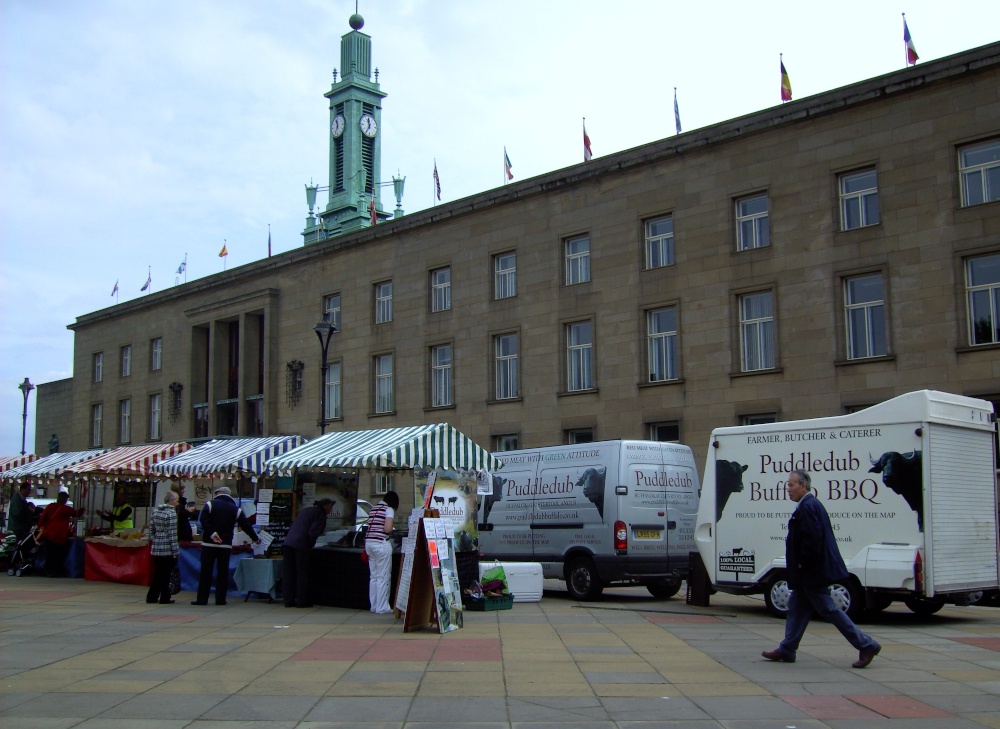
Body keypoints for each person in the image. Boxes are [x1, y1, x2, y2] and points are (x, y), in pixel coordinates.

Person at [762, 469, 881, 668]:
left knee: (829, 610)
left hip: (810, 573)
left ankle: (867, 644)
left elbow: (812, 539)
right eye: (787, 485)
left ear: (803, 486)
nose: (788, 489)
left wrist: (802, 562)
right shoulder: (809, 505)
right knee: (797, 609)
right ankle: (787, 649)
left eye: (791, 485)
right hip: (806, 573)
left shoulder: (808, 506)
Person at [192, 486, 260, 606]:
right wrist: (255, 538)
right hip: (225, 544)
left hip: (209, 543)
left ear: (219, 493)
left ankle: (202, 599)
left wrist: (212, 533)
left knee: (206, 572)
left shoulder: (210, 504)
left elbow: (204, 520)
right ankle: (220, 599)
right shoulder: (235, 509)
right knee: (223, 573)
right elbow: (245, 525)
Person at [283, 498, 334, 608]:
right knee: (302, 573)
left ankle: (288, 600)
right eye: (330, 507)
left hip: (288, 543)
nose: (331, 509)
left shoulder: (306, 510)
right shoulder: (320, 515)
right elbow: (313, 532)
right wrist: (310, 545)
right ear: (326, 506)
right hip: (301, 544)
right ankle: (301, 600)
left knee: (289, 573)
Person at [364, 490, 399, 614]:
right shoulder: (388, 510)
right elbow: (387, 529)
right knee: (383, 577)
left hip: (369, 544)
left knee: (373, 576)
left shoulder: (373, 509)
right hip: (381, 544)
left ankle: (373, 605)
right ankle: (382, 607)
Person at [36, 492, 83, 577]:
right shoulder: (65, 509)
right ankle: (56, 571)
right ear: (65, 499)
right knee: (58, 554)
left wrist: (41, 527)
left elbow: (42, 519)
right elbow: (77, 514)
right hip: (59, 536)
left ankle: (47, 571)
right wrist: (82, 509)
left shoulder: (50, 506)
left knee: (49, 554)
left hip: (49, 534)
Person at [147, 491, 180, 604]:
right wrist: (175, 550)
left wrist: (155, 539)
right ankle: (165, 597)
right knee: (166, 574)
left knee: (158, 572)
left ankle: (152, 596)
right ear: (171, 501)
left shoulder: (155, 511)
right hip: (167, 548)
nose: (177, 503)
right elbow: (172, 534)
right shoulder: (171, 513)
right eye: (176, 500)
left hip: (157, 546)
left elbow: (151, 529)